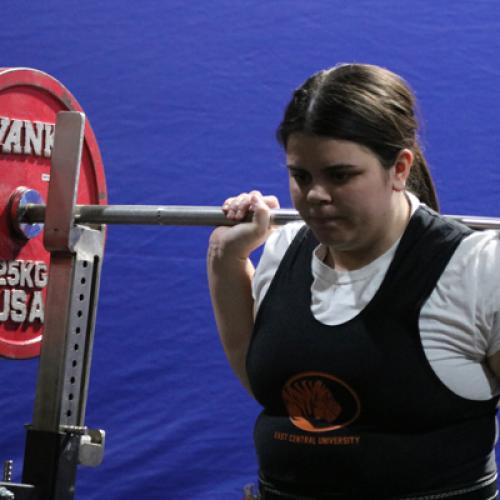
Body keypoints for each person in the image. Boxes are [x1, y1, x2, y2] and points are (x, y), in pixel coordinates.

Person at [207, 63, 500, 499]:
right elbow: (266, 385)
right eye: (301, 176)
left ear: (400, 168)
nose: (315, 196)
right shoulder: (283, 249)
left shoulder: (477, 267)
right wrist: (226, 257)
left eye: (340, 175)